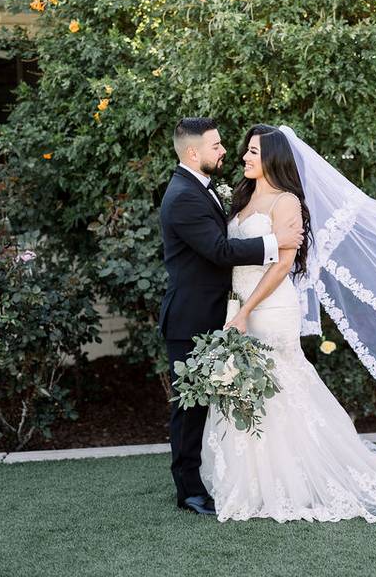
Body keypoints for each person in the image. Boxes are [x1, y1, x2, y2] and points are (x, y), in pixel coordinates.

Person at [200, 124, 376, 523]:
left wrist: (246, 310)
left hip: (269, 307)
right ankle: (252, 479)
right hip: (240, 306)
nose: (244, 158)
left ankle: (295, 479)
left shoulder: (286, 202)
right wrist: (235, 308)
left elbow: (283, 264)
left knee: (279, 388)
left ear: (272, 158)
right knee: (248, 389)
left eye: (253, 152)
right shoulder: (242, 199)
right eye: (246, 152)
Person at [158, 117, 303, 516]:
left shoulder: (201, 189)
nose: (227, 152)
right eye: (217, 145)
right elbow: (220, 252)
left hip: (227, 312)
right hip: (192, 319)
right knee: (188, 410)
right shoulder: (184, 195)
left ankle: (258, 477)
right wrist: (276, 242)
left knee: (222, 403)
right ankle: (188, 491)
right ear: (193, 152)